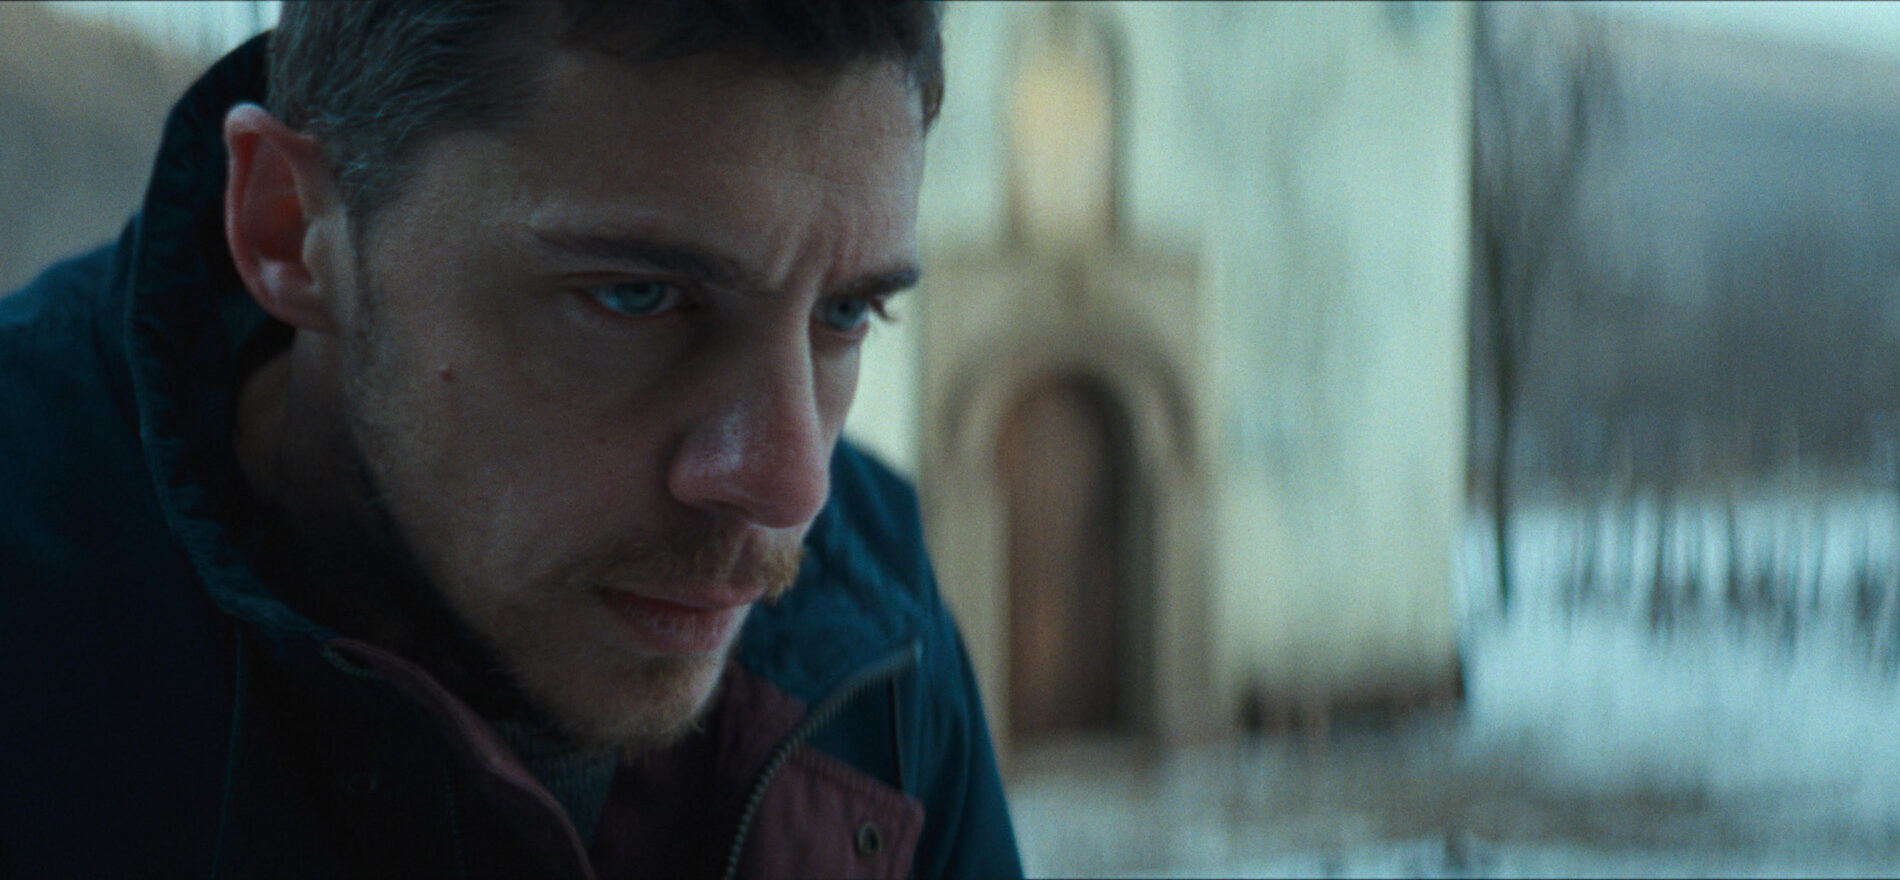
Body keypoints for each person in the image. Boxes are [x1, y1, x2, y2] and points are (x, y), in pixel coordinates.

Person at [0, 2, 1023, 877]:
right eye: (637, 295)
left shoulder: (877, 614)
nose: (794, 488)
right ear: (290, 230)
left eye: (844, 314)